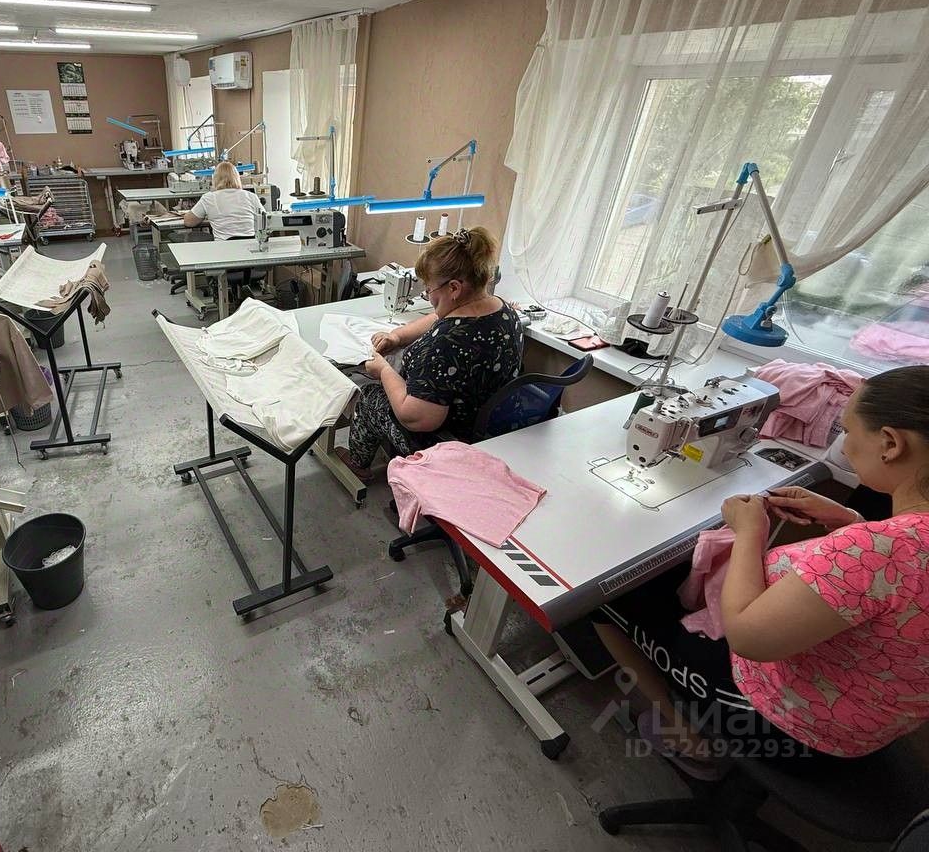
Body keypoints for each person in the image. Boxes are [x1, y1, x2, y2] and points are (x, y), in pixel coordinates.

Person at [594, 365, 929, 775]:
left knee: (607, 599)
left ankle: (687, 736)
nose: (844, 443)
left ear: (890, 443)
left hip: (793, 728)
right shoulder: (895, 540)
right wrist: (851, 521)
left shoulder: (876, 548)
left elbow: (747, 638)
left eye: (847, 431)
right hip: (871, 720)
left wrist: (749, 533)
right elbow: (899, 581)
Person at [336, 227, 524, 481]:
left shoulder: (445, 344)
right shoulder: (503, 311)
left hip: (449, 442)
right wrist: (397, 336)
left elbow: (414, 418)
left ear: (454, 288)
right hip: (489, 426)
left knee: (370, 397)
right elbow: (439, 316)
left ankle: (358, 466)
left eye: (429, 290)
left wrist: (383, 371)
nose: (428, 297)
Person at [181, 161, 263, 240]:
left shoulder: (209, 198)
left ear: (215, 178)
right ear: (237, 177)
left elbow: (189, 222)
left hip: (224, 246)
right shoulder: (251, 196)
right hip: (250, 244)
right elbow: (264, 220)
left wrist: (206, 214)